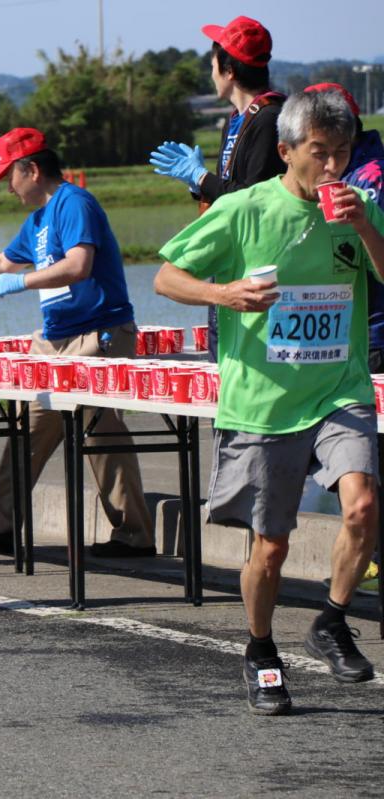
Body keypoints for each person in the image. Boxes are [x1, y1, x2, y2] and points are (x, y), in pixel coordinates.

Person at [154, 90, 384, 715]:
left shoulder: (358, 209)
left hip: (341, 388)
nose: (335, 167)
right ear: (285, 152)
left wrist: (362, 224)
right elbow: (165, 276)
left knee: (363, 506)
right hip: (265, 402)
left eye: (343, 153)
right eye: (320, 154)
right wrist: (225, 294)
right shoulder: (242, 210)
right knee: (272, 546)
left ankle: (332, 620)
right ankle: (260, 651)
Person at [0, 127, 155, 559]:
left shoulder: (75, 203)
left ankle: (134, 534)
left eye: (8, 176)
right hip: (55, 340)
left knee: (99, 431)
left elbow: (78, 265)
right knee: (27, 428)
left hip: (99, 334)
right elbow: (1, 261)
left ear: (32, 170)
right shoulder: (37, 219)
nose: (7, 187)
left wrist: (23, 281)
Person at [150, 15, 285, 362]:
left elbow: (251, 197)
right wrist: (199, 187)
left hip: (256, 268)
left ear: (228, 70)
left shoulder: (270, 119)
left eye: (212, 63)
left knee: (245, 360)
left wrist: (200, 177)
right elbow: (230, 191)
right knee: (222, 360)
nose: (210, 72)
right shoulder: (236, 120)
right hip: (228, 262)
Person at [306, 82, 384, 596]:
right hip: (348, 336)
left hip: (371, 334)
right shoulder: (350, 169)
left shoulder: (367, 179)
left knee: (371, 469)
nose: (327, 158)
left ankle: (371, 559)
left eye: (333, 142)